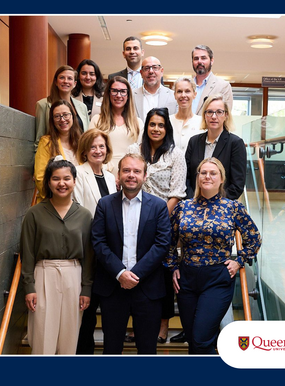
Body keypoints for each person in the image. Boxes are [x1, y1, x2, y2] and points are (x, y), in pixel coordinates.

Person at [165, 157, 261, 354]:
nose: (207, 176)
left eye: (213, 173)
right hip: (187, 279)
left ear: (221, 179)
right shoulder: (183, 207)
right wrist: (173, 267)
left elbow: (254, 238)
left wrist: (239, 261)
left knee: (201, 338)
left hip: (217, 278)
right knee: (193, 340)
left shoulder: (233, 207)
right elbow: (168, 241)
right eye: (203, 173)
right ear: (198, 177)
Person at [91, 153, 172, 354]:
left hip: (147, 288)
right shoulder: (104, 204)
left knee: (147, 349)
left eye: (137, 171)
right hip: (113, 287)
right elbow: (98, 242)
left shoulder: (159, 206)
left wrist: (135, 275)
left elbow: (162, 244)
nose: (131, 175)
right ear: (118, 175)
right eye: (126, 170)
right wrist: (120, 273)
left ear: (145, 176)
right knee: (111, 348)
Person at [20, 156, 94, 355]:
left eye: (67, 178)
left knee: (70, 336)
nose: (62, 183)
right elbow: (27, 252)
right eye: (56, 178)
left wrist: (86, 288)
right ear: (48, 182)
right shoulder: (34, 214)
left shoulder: (85, 215)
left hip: (74, 274)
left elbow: (89, 255)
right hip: (44, 274)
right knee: (43, 333)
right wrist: (29, 286)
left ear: (74, 181)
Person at [128, 107, 187, 344]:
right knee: (137, 268)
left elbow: (177, 190)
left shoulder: (175, 154)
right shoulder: (134, 150)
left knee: (162, 275)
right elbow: (128, 179)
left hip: (166, 222)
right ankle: (137, 324)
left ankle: (162, 326)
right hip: (134, 220)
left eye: (161, 125)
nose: (156, 129)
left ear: (167, 129)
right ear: (146, 127)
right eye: (152, 124)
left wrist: (159, 218)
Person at [72, 129, 117, 354]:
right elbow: (78, 209)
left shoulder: (110, 177)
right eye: (93, 147)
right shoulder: (78, 173)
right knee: (86, 315)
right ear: (85, 151)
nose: (98, 151)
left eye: (101, 146)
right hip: (88, 249)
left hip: (109, 253)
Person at [185, 93, 246, 200]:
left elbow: (237, 185)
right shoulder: (194, 142)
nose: (214, 116)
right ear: (204, 115)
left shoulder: (235, 143)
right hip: (194, 203)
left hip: (222, 206)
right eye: (209, 112)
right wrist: (194, 200)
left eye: (219, 112)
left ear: (226, 115)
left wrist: (215, 203)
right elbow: (186, 178)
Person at [88, 76, 143, 176]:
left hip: (129, 176)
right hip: (102, 173)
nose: (118, 95)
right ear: (108, 94)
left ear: (128, 95)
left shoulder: (138, 123)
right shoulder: (97, 120)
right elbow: (90, 150)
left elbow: (140, 155)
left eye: (123, 91)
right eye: (114, 91)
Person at [34, 100, 83, 203]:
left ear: (73, 117)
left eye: (66, 115)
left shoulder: (82, 143)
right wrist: (58, 199)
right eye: (57, 116)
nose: (62, 119)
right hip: (53, 203)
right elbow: (40, 177)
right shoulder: (46, 142)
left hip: (80, 202)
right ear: (52, 120)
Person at [35, 65, 89, 150]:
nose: (65, 81)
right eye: (62, 78)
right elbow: (39, 139)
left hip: (79, 155)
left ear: (74, 84)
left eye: (70, 78)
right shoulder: (43, 105)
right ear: (56, 82)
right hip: (54, 155)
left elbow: (86, 135)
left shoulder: (82, 107)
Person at [191, 45, 233, 115]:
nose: (199, 61)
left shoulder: (223, 86)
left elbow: (225, 116)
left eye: (203, 58)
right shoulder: (186, 85)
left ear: (212, 60)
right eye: (196, 58)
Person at [170, 76, 203, 153]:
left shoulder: (202, 122)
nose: (183, 95)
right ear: (175, 95)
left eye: (187, 91)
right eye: (179, 91)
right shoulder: (167, 121)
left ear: (194, 94)